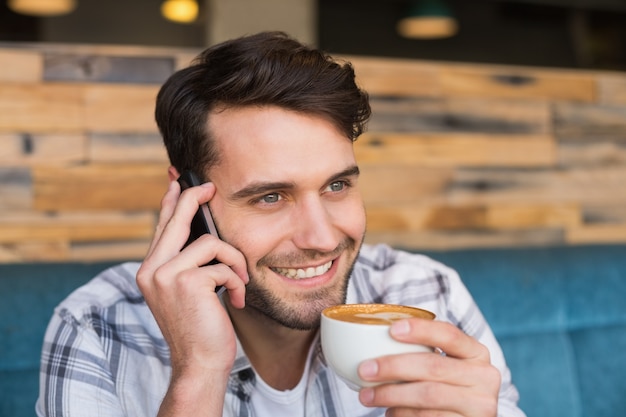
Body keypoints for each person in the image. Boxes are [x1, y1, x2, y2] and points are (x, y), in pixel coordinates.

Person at [37, 31, 525, 417]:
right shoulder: (96, 329)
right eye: (270, 196)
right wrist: (199, 373)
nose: (322, 238)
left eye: (337, 186)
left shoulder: (428, 292)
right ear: (189, 200)